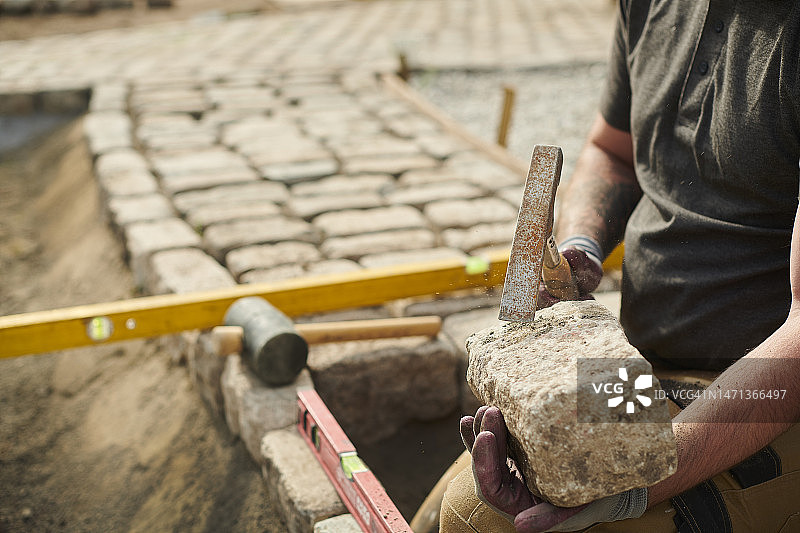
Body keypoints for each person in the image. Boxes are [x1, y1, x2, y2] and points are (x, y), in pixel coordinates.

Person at [439, 1, 800, 531]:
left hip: (762, 397)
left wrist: (634, 488)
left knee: (473, 518)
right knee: (453, 502)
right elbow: (611, 150)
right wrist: (580, 246)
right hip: (641, 367)